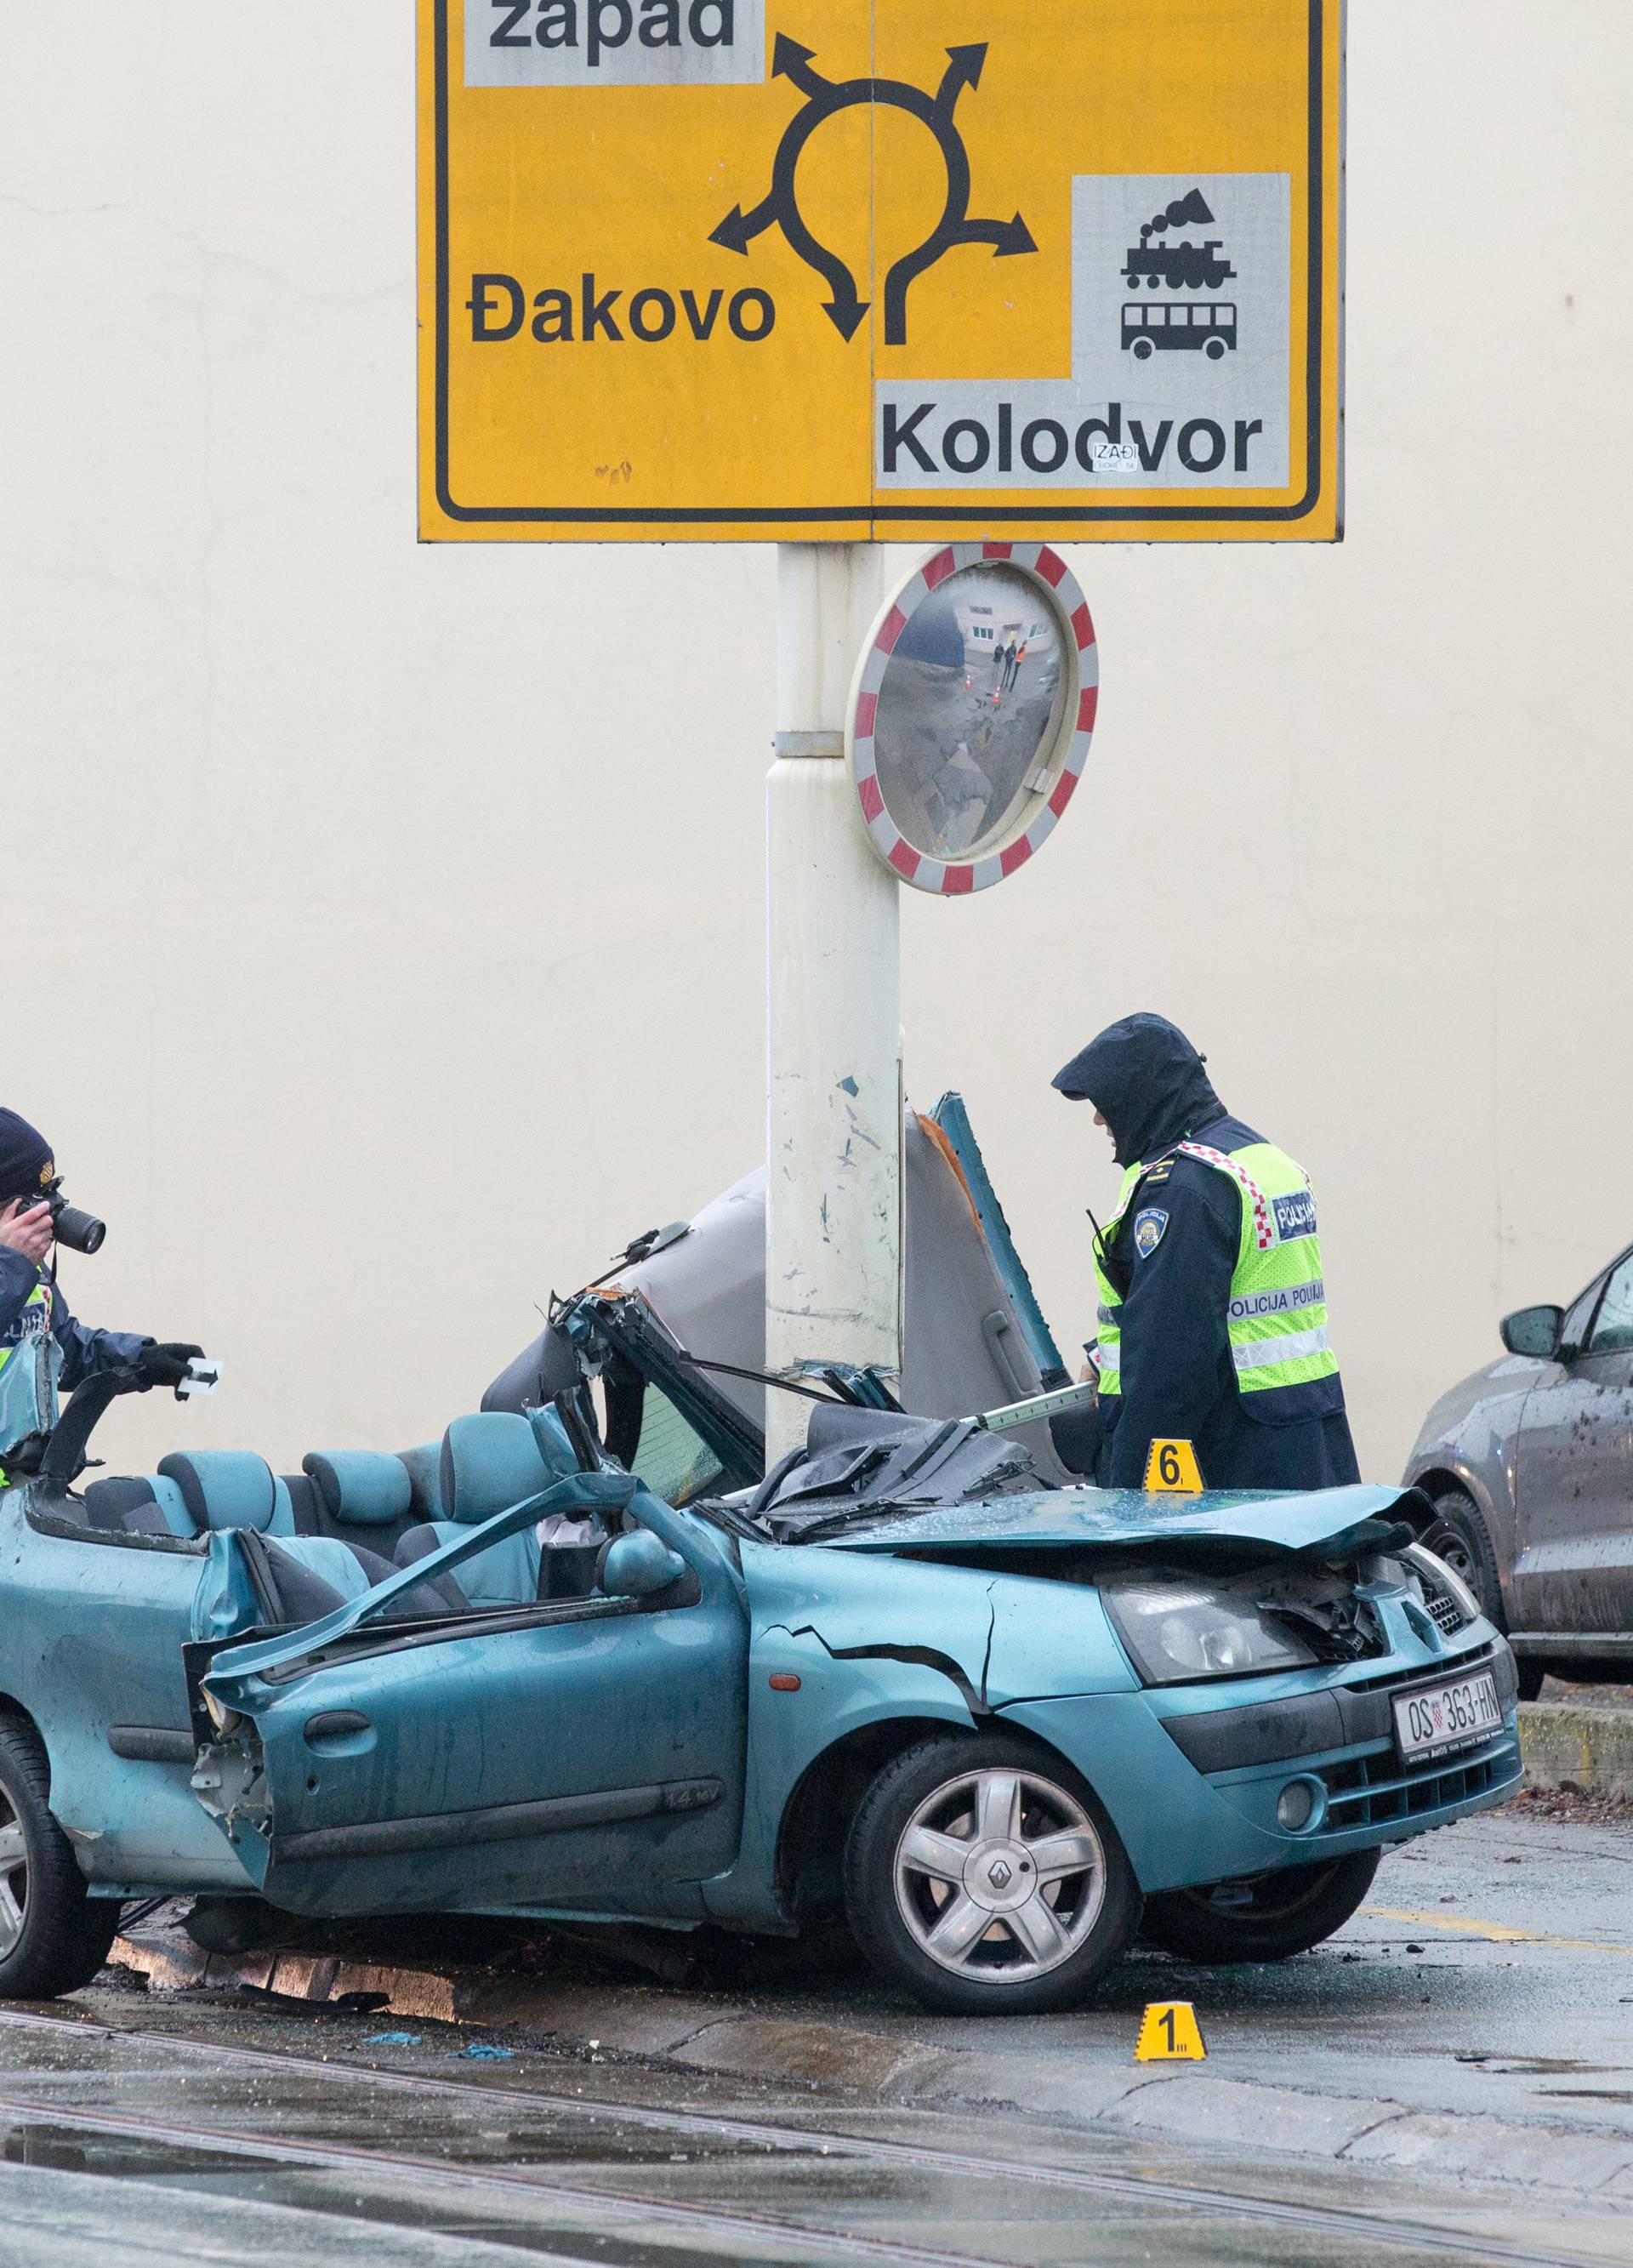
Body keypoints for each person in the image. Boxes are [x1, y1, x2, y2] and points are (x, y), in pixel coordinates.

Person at [1051, 1012, 1359, 1493]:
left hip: (1230, 1473)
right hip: (1305, 1449)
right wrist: (1109, 1354)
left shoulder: (1184, 1188)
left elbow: (1170, 1363)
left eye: (1104, 1101)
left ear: (1140, 1095)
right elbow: (1245, 1306)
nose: (1097, 1118)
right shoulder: (1262, 1160)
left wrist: (1126, 1501)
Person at [0, 1108, 202, 1477]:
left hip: (19, 1498)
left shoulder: (20, 1265)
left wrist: (144, 1360)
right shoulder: (14, 1264)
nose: (48, 1210)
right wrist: (11, 1262)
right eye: (32, 1199)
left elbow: (64, 1349)